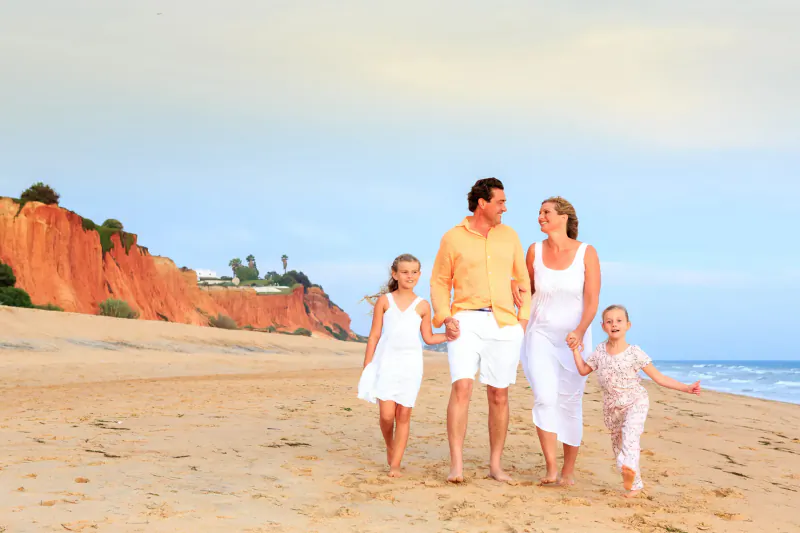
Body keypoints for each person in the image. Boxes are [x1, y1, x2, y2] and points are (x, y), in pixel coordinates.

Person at [430, 178, 531, 483]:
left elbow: (522, 279)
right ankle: (457, 465)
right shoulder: (453, 238)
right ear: (482, 203)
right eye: (500, 202)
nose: (505, 207)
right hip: (465, 320)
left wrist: (522, 321)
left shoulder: (509, 236)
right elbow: (439, 281)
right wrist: (445, 317)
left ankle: (495, 466)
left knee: (499, 394)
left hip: (503, 323)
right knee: (462, 387)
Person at [571, 304, 701, 497]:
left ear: (628, 325)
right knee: (618, 444)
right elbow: (583, 370)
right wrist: (574, 350)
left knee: (630, 438)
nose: (614, 324)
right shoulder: (599, 352)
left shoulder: (635, 353)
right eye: (609, 321)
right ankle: (635, 484)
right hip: (612, 407)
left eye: (619, 321)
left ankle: (628, 466)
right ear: (603, 326)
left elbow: (659, 378)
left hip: (635, 402)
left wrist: (686, 388)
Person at [517, 196, 601, 486]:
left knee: (570, 401)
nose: (540, 217)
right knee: (544, 397)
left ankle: (568, 470)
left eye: (546, 212)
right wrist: (516, 303)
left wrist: (579, 331)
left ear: (563, 217)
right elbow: (526, 293)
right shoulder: (534, 251)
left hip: (574, 339)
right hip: (539, 334)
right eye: (539, 212)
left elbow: (592, 300)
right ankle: (551, 468)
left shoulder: (586, 253)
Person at [358, 254, 447, 478]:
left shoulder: (423, 306)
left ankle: (395, 465)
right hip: (386, 362)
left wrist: (449, 335)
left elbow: (428, 337)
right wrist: (368, 365)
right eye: (405, 272)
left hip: (411, 365)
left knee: (404, 414)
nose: (410, 276)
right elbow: (374, 335)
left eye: (414, 272)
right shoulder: (385, 301)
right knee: (387, 415)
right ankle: (391, 444)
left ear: (419, 275)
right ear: (395, 274)